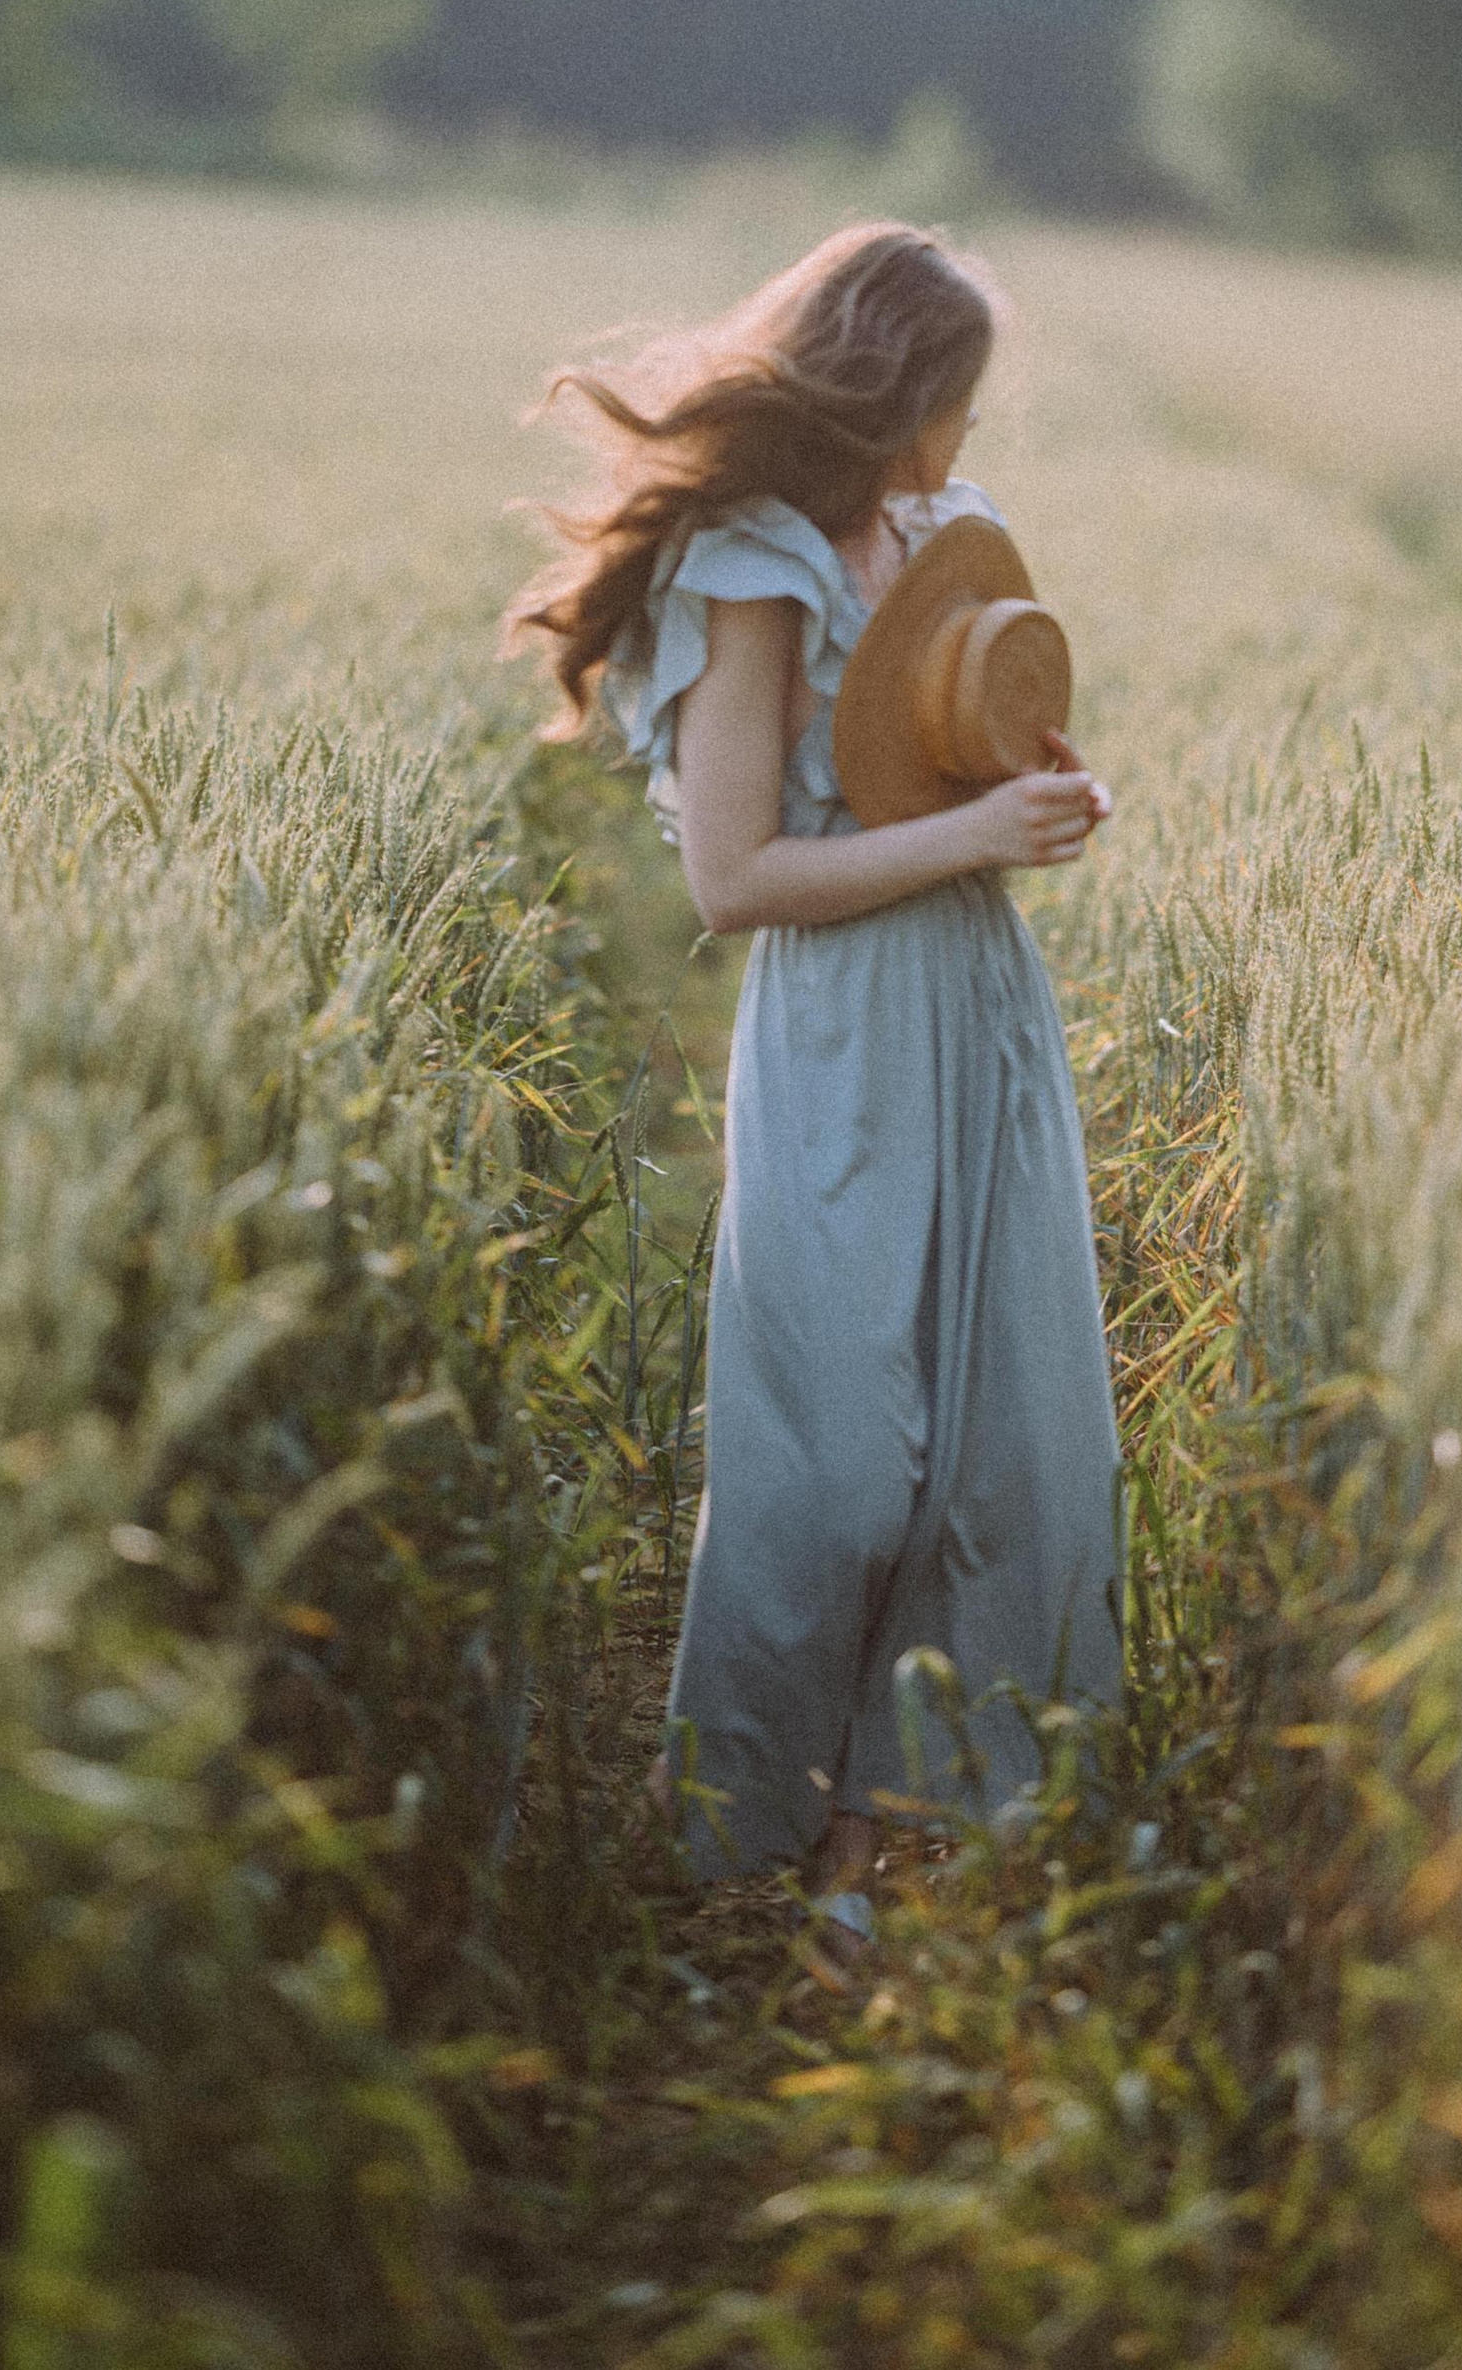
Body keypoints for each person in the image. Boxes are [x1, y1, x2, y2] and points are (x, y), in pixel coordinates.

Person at [506, 222, 1124, 1946]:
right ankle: (733, 1804)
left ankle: (888, 1819)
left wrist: (1035, 793)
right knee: (845, 1455)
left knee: (994, 1438)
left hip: (978, 1001)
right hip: (844, 1022)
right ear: (891, 387)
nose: (968, 434)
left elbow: (950, 756)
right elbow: (735, 878)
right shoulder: (753, 562)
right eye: (957, 399)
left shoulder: (941, 535)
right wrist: (976, 836)